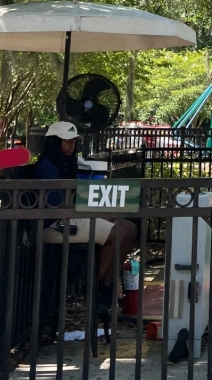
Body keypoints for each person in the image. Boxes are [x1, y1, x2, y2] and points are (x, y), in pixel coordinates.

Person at [35, 121, 137, 294]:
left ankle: (107, 281)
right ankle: (95, 287)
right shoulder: (46, 168)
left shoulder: (66, 164)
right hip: (56, 224)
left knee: (131, 228)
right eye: (66, 140)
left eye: (73, 140)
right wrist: (91, 212)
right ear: (53, 142)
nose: (71, 144)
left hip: (71, 216)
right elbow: (57, 203)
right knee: (120, 233)